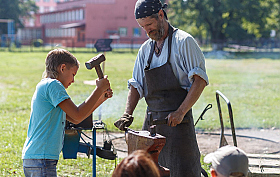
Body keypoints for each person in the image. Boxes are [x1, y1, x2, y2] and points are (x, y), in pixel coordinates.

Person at [114, 0, 209, 176]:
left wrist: (180, 112)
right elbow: (136, 85)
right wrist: (128, 113)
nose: (147, 30)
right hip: (152, 125)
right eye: (143, 27)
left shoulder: (184, 42)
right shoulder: (145, 49)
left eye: (149, 24)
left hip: (179, 124)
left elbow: (199, 81)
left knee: (183, 171)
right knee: (149, 172)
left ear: (160, 15)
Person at [22, 49, 113, 177]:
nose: (73, 80)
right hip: (41, 159)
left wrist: (101, 98)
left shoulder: (46, 86)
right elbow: (78, 114)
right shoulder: (53, 85)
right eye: (73, 74)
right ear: (63, 68)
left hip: (37, 158)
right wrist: (98, 89)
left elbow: (76, 119)